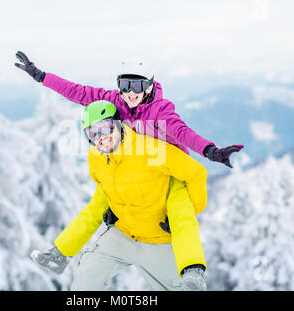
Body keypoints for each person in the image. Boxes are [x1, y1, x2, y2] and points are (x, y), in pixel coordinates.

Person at [31, 101, 209, 291]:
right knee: (87, 276)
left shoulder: (151, 149)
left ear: (118, 124)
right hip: (122, 236)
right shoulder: (97, 158)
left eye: (106, 128)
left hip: (158, 240)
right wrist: (62, 251)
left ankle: (192, 273)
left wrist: (194, 208)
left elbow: (196, 173)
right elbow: (95, 207)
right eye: (92, 133)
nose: (101, 137)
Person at [14, 51, 244, 168]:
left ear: (149, 86)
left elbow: (183, 133)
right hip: (141, 164)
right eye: (125, 85)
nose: (131, 93)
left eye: (137, 85)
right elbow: (78, 92)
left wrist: (211, 152)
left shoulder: (160, 111)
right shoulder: (114, 101)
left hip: (169, 165)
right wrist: (41, 77)